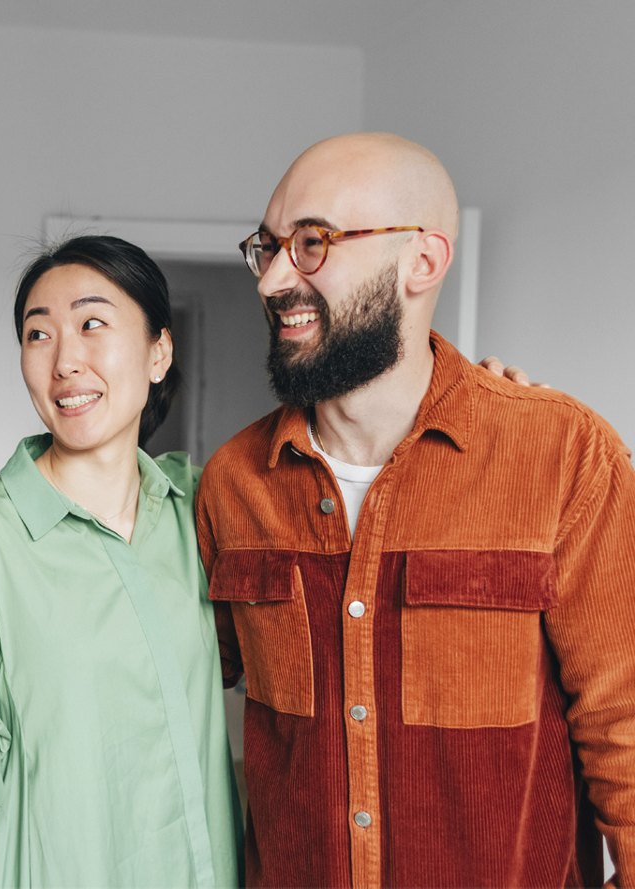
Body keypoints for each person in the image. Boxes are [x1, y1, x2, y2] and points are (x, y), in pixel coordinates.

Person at [196, 132, 635, 886]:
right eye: (266, 248)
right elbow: (178, 689)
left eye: (312, 243)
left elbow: (622, 725)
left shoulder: (563, 455)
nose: (271, 280)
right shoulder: (233, 482)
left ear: (422, 261)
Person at [0, 235, 243, 886]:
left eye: (92, 324)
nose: (64, 361)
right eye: (39, 335)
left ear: (159, 352)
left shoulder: (199, 508)